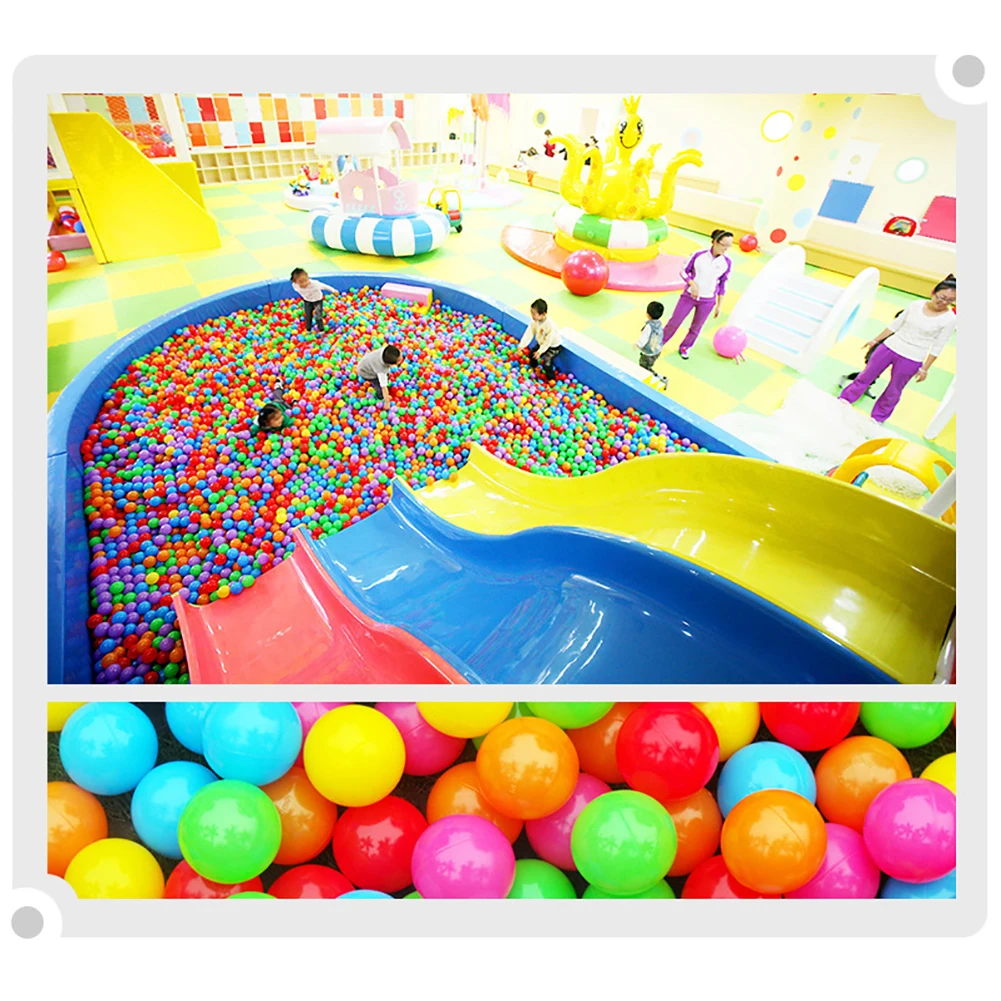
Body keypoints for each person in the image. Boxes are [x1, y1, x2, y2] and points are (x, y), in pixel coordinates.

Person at [839, 275, 956, 423]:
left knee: (894, 390)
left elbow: (939, 345)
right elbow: (895, 325)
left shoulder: (950, 319)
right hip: (890, 347)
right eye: (942, 297)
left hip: (913, 357)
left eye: (950, 301)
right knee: (866, 376)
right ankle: (844, 400)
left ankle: (878, 418)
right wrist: (876, 340)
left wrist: (925, 368)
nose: (943, 302)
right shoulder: (915, 305)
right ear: (934, 292)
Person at [662, 229, 734, 359]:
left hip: (708, 300)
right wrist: (692, 284)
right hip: (689, 296)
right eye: (724, 245)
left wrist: (719, 305)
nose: (726, 249)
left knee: (696, 327)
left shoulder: (727, 262)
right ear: (715, 242)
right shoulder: (698, 255)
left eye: (729, 246)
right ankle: (660, 342)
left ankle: (685, 347)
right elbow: (684, 271)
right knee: (675, 321)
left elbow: (723, 284)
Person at [518, 298, 563, 380]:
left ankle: (551, 379)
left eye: (534, 314)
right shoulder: (534, 321)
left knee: (547, 363)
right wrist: (522, 345)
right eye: (531, 313)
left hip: (553, 346)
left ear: (543, 314)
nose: (532, 316)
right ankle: (533, 368)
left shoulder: (550, 325)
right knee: (532, 354)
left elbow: (548, 341)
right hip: (542, 343)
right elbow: (529, 333)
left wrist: (540, 352)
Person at [290, 267, 336, 333]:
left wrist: (333, 291)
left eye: (306, 280)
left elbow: (325, 286)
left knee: (318, 316)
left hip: (317, 301)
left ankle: (321, 330)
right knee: (308, 316)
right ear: (295, 282)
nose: (304, 283)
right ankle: (308, 329)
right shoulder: (295, 286)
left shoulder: (314, 284)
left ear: (308, 278)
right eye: (301, 282)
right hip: (307, 301)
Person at [251, 370, 294, 435]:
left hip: (280, 404)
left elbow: (290, 423)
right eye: (277, 419)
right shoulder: (260, 424)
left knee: (288, 406)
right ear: (267, 423)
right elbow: (254, 429)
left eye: (280, 416)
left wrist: (285, 430)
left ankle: (278, 386)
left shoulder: (283, 417)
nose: (281, 418)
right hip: (270, 407)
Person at [636, 301, 666, 379]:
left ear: (647, 314)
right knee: (648, 365)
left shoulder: (649, 326)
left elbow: (644, 337)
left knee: (644, 366)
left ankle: (656, 377)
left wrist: (638, 344)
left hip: (648, 353)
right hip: (657, 350)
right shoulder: (659, 324)